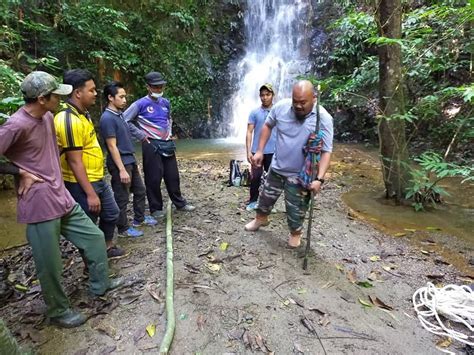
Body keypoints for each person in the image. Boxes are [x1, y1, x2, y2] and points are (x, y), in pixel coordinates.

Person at [0, 71, 121, 328]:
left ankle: (100, 284)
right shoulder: (16, 124)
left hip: (60, 196)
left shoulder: (47, 117)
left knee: (94, 237)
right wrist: (20, 171)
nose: (61, 99)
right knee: (50, 264)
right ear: (43, 99)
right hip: (39, 203)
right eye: (57, 96)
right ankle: (58, 311)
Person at [244, 80, 334, 248]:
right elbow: (267, 126)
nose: (298, 106)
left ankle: (295, 233)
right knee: (265, 197)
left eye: (303, 102)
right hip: (277, 167)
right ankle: (260, 220)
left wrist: (319, 179)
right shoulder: (281, 108)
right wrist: (260, 150)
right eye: (295, 101)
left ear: (314, 98)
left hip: (300, 174)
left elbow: (326, 151)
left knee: (296, 208)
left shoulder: (323, 119)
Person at [54, 69, 124, 258]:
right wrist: (90, 194)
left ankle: (107, 248)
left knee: (111, 213)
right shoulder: (68, 120)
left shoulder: (83, 113)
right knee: (89, 227)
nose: (95, 94)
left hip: (97, 177)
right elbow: (74, 161)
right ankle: (91, 266)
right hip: (81, 184)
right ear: (78, 93)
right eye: (92, 90)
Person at [123, 71, 195, 218]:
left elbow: (169, 119)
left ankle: (179, 203)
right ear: (148, 87)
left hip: (166, 143)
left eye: (161, 86)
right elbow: (125, 120)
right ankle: (156, 208)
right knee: (153, 177)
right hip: (150, 143)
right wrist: (141, 135)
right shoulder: (139, 104)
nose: (159, 89)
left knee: (172, 175)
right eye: (155, 87)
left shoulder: (165, 103)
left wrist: (168, 134)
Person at [99, 81, 157, 238]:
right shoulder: (107, 119)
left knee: (140, 190)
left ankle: (140, 218)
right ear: (111, 98)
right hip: (121, 163)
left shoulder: (119, 116)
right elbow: (112, 147)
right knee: (122, 197)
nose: (125, 100)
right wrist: (122, 169)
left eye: (125, 97)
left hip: (129, 159)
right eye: (121, 97)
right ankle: (123, 229)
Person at [245, 83, 277, 211]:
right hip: (256, 151)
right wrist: (248, 152)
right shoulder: (254, 112)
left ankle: (269, 204)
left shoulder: (278, 111)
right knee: (255, 177)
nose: (265, 97)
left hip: (273, 151)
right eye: (262, 95)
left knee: (272, 179)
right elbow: (249, 132)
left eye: (267, 94)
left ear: (272, 95)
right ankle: (253, 201)